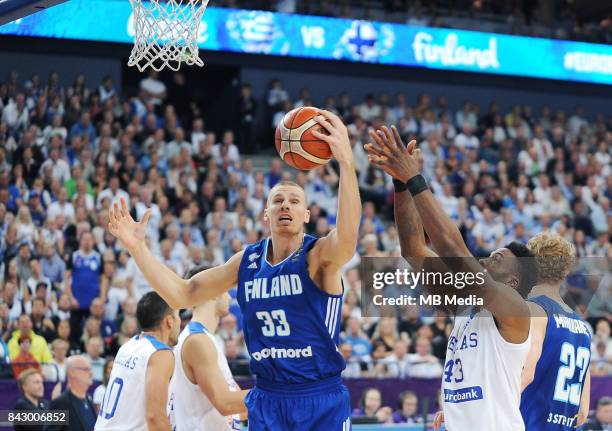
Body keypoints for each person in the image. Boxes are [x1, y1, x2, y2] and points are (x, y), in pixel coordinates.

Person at [108, 110, 361, 430]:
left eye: (295, 201)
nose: (286, 205)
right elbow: (183, 293)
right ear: (266, 214)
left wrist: (347, 163)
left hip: (319, 396)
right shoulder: (247, 262)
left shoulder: (317, 256)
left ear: (307, 214)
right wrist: (138, 248)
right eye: (278, 200)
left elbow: (348, 239)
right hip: (267, 396)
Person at [365, 126, 536, 431]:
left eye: (496, 260)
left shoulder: (515, 310)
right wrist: (401, 184)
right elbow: (414, 249)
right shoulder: (464, 303)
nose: (484, 261)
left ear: (513, 282)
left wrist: (415, 179)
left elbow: (453, 249)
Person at [520, 232, 592, 430]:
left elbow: (526, 374)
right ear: (566, 270)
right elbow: (583, 412)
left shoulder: (532, 310)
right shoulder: (582, 327)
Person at [168, 266, 249, 431]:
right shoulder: (197, 341)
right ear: (213, 292)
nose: (228, 296)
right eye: (225, 289)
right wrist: (275, 392)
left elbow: (238, 411)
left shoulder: (207, 339)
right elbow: (225, 403)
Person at [95, 291, 180, 431]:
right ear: (169, 321)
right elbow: (155, 417)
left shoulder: (128, 346)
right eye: (177, 316)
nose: (179, 323)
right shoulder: (160, 354)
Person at [45, 355, 96, 431]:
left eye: (90, 369)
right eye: (86, 369)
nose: (91, 373)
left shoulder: (89, 399)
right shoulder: (60, 403)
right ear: (72, 372)